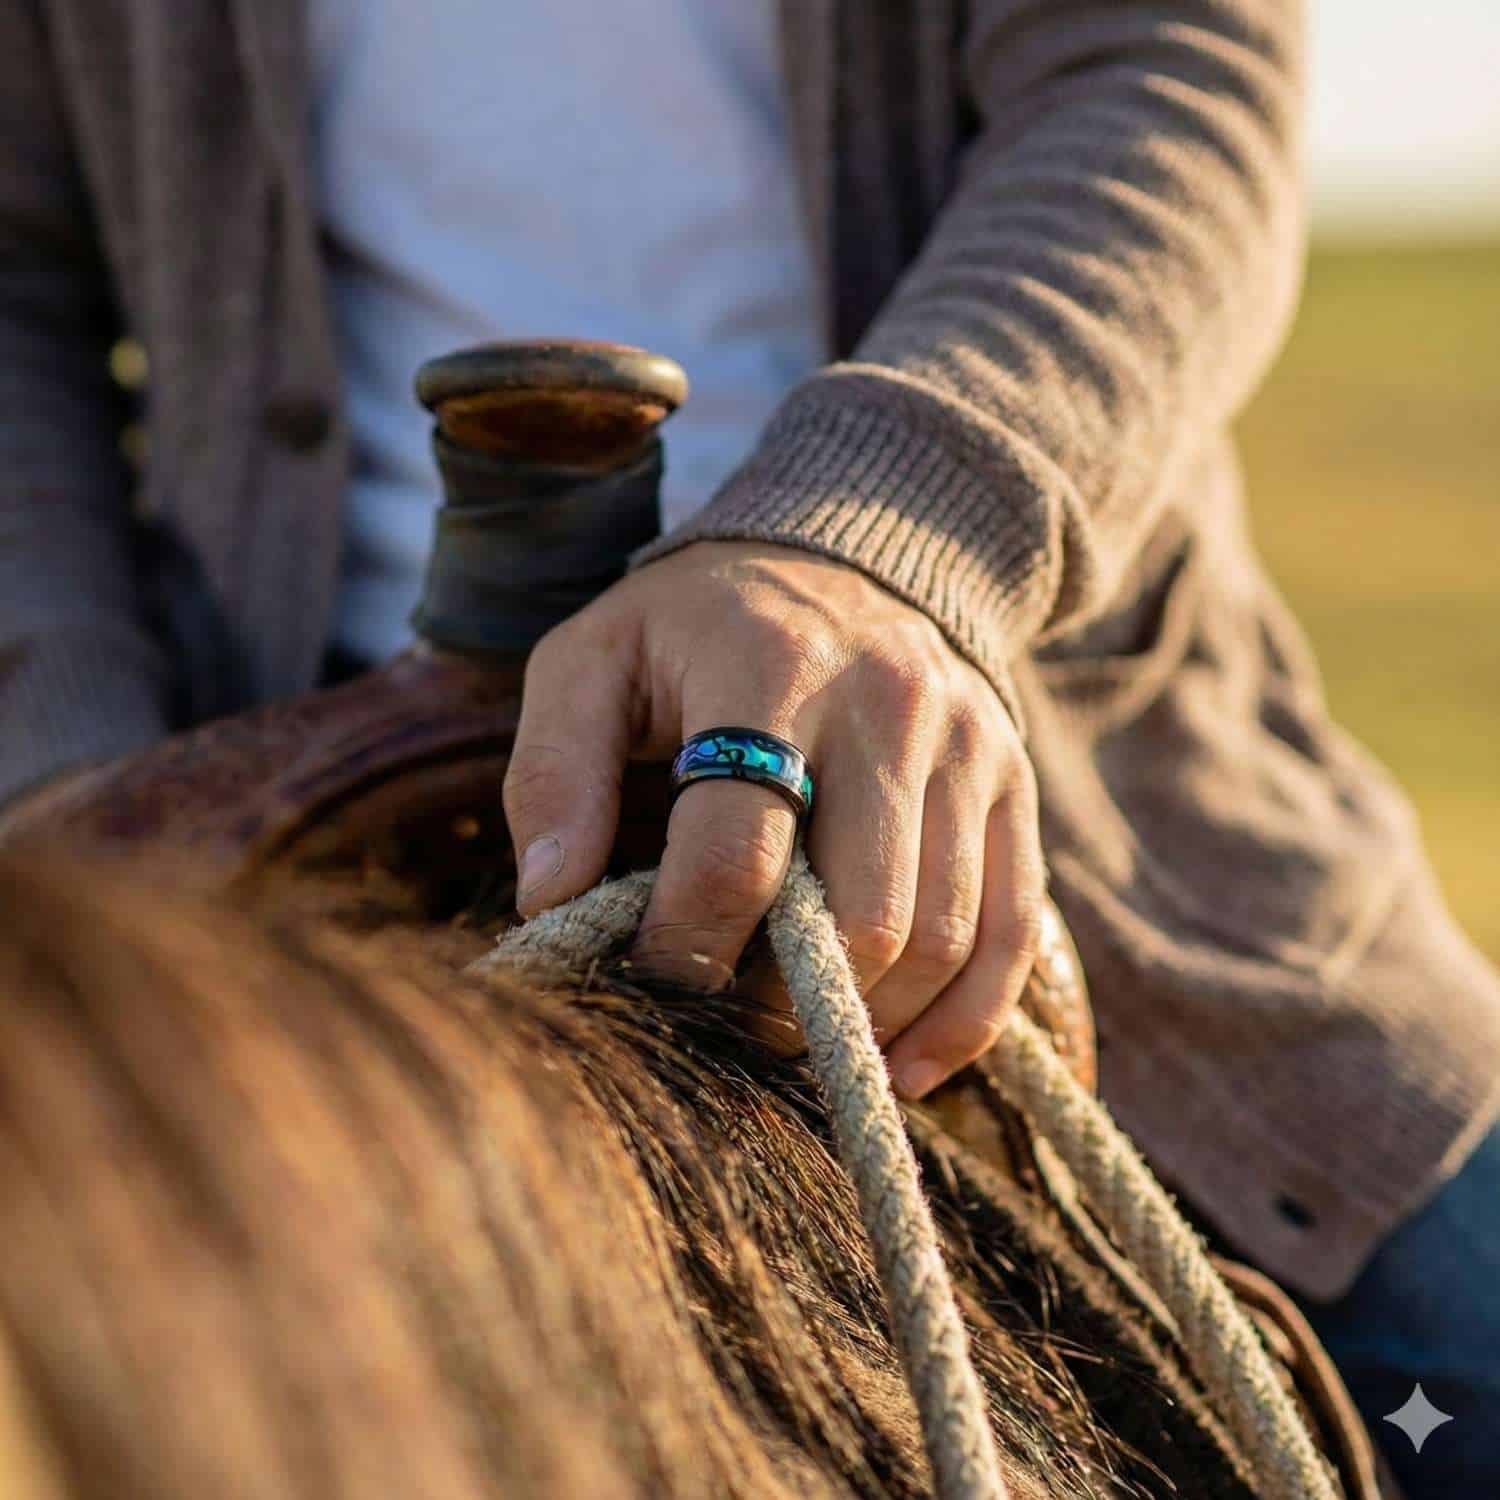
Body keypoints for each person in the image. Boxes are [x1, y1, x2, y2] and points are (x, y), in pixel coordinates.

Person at [0, 3, 1495, 1489]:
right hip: (238, 874)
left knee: (1462, 1390)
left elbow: (1167, 72)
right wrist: (64, 757)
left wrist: (883, 535)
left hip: (1091, 815)